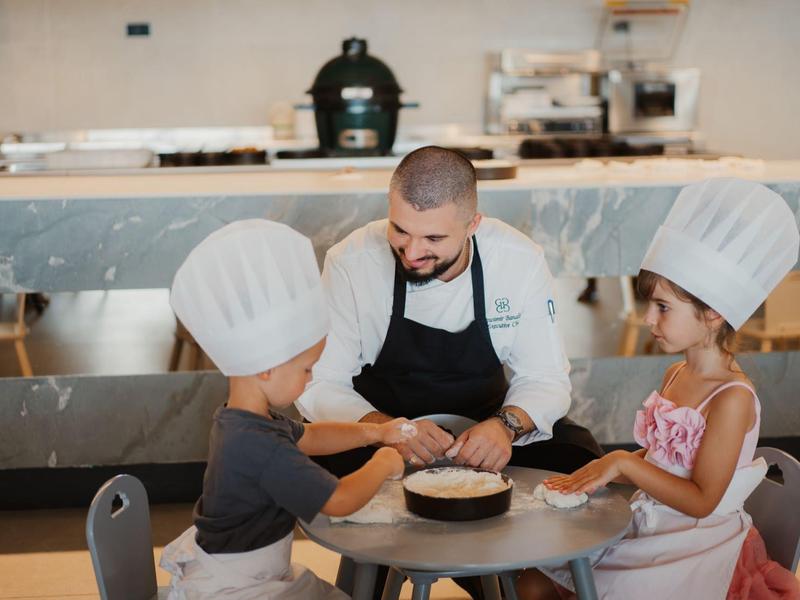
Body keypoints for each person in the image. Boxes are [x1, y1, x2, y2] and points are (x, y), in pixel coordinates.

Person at [516, 178, 800, 600]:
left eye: (663, 307)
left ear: (713, 313)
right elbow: (664, 464)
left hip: (694, 544)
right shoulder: (674, 373)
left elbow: (702, 500)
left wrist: (624, 464)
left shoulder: (732, 399)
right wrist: (610, 470)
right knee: (534, 579)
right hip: (652, 523)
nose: (648, 318)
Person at [297, 146, 603, 481]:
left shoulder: (518, 259)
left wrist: (505, 427)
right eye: (400, 230)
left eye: (433, 237)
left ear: (472, 224)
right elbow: (321, 381)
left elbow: (545, 378)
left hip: (486, 418)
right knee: (317, 472)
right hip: (381, 424)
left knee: (577, 456)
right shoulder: (351, 263)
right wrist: (384, 429)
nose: (412, 253)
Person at [159, 219, 415, 599]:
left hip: (256, 573)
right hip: (235, 589)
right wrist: (383, 462)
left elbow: (310, 435)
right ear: (267, 365)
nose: (310, 380)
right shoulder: (258, 446)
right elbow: (338, 502)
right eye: (306, 369)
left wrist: (375, 432)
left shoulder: (244, 419)